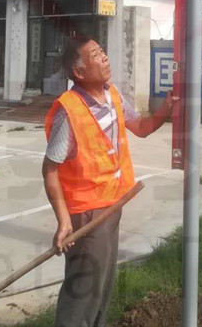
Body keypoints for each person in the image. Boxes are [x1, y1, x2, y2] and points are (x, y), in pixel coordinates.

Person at [42, 35, 175, 327]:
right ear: (79, 71)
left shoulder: (112, 94)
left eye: (102, 51)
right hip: (86, 216)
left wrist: (165, 111)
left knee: (102, 285)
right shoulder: (69, 110)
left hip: (112, 205)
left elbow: (140, 127)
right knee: (83, 290)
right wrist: (63, 221)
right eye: (95, 55)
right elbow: (50, 169)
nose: (104, 57)